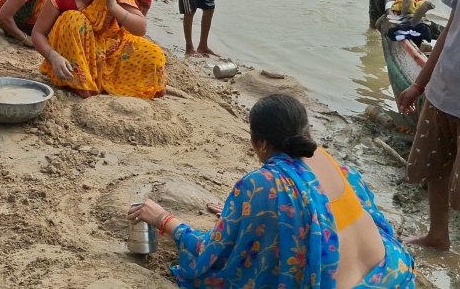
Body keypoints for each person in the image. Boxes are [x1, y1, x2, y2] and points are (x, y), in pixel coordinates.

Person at [127, 94, 416, 288]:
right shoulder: (326, 159)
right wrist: (247, 219)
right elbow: (320, 217)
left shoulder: (263, 184)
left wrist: (164, 219)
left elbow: (210, 253)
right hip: (392, 273)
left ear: (261, 143)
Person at [31, 0, 167, 99]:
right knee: (72, 18)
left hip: (109, 47)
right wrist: (53, 56)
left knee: (154, 55)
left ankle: (102, 80)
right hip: (75, 50)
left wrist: (113, 6)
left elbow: (141, 29)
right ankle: (81, 82)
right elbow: (38, 33)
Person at [398, 0, 460, 251]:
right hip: (442, 91)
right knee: (437, 167)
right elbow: (450, 28)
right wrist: (419, 84)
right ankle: (438, 235)